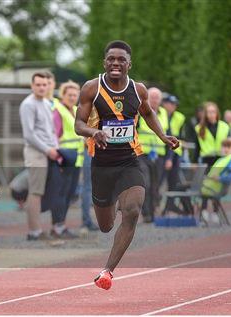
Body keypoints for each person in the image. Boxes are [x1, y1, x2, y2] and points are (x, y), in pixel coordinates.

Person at [74, 40, 179, 290]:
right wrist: (93, 132)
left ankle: (107, 271)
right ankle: (111, 205)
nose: (116, 63)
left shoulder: (138, 90)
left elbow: (149, 113)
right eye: (111, 59)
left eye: (121, 59)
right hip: (101, 165)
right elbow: (78, 124)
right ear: (104, 62)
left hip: (130, 160)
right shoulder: (92, 88)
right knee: (106, 225)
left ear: (129, 64)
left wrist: (163, 136)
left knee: (132, 210)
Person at [19, 72, 60, 241]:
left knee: (43, 191)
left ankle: (40, 229)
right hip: (37, 153)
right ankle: (34, 231)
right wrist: (47, 150)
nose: (42, 87)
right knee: (35, 192)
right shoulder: (28, 104)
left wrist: (56, 148)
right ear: (32, 86)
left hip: (49, 152)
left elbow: (49, 130)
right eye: (38, 84)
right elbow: (29, 134)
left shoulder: (45, 103)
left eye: (45, 84)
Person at [51, 81, 84, 238]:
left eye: (75, 94)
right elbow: (54, 135)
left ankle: (61, 225)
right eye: (69, 94)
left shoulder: (77, 110)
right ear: (62, 95)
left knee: (70, 194)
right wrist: (58, 158)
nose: (72, 97)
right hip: (64, 158)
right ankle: (58, 226)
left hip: (76, 159)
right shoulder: (58, 111)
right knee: (61, 193)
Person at [136, 87, 167, 222]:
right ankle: (146, 213)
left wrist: (170, 157)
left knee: (156, 185)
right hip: (142, 154)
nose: (154, 100)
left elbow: (168, 133)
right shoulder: (141, 110)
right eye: (152, 97)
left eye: (157, 98)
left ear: (160, 100)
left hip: (159, 155)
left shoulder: (164, 113)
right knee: (146, 183)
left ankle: (153, 213)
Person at [201, 139, 231, 222]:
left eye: (228, 147)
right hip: (210, 187)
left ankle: (205, 213)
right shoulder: (222, 159)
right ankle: (206, 212)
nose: (226, 149)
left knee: (190, 189)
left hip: (217, 188)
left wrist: (221, 178)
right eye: (224, 147)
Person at [161, 94, 186, 214]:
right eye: (171, 104)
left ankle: (169, 205)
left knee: (173, 182)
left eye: (175, 104)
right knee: (159, 181)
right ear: (164, 104)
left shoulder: (180, 117)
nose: (173, 106)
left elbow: (181, 136)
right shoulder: (159, 115)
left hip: (175, 152)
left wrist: (170, 157)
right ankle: (156, 206)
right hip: (162, 152)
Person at [195, 102, 230, 169]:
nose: (211, 114)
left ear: (217, 113)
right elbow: (197, 147)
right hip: (206, 159)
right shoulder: (199, 128)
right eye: (209, 112)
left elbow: (228, 145)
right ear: (206, 114)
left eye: (213, 111)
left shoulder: (225, 126)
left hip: (221, 159)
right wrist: (195, 162)